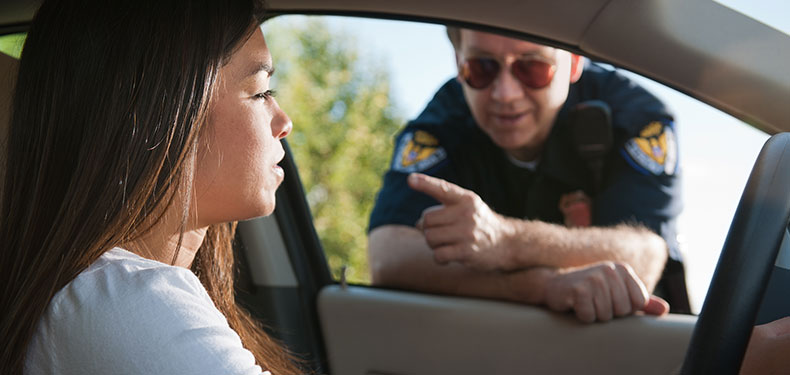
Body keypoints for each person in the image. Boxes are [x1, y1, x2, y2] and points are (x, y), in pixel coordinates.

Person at [0, 0, 302, 374]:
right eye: (260, 93)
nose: (284, 122)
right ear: (163, 115)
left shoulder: (109, 294)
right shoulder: (132, 302)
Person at [368, 27, 690, 323]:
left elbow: (646, 256)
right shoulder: (442, 121)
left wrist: (507, 242)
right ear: (458, 62)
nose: (505, 94)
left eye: (533, 67)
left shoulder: (634, 117)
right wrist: (538, 286)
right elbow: (388, 256)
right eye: (482, 67)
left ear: (574, 62)